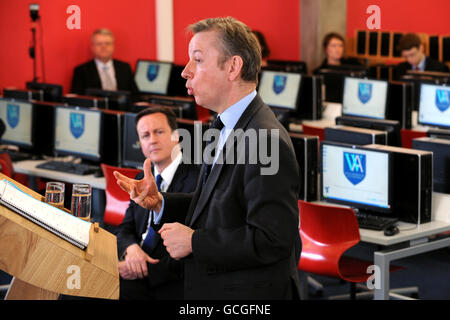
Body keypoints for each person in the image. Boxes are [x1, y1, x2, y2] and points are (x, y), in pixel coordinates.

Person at [114, 17, 302, 300]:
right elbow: (220, 205)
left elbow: (271, 240)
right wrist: (162, 202)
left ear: (233, 67)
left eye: (198, 60)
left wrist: (194, 241)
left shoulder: (266, 139)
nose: (186, 72)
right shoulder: (220, 126)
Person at [116, 107, 200, 300]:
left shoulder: (197, 180)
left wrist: (136, 269)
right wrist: (131, 249)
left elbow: (192, 250)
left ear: (176, 136)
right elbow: (125, 228)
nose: (152, 140)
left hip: (167, 281)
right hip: (134, 267)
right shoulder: (141, 178)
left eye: (159, 132)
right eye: (145, 135)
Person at [71, 28, 138, 94]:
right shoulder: (81, 71)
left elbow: (135, 95)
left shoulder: (125, 68)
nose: (104, 47)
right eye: (99, 44)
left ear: (113, 46)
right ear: (92, 47)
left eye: (107, 43)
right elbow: (76, 98)